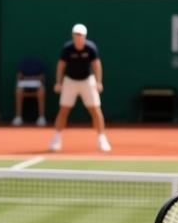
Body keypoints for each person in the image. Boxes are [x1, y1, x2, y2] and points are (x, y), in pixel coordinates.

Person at [49, 23, 110, 153]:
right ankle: (57, 138)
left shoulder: (91, 48)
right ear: (72, 36)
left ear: (84, 36)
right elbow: (61, 66)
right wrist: (58, 82)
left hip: (87, 80)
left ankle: (102, 138)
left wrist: (98, 82)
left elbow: (97, 65)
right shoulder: (67, 48)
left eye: (80, 35)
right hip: (70, 80)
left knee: (95, 109)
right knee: (64, 109)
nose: (78, 37)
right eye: (76, 35)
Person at [12, 56, 47, 127]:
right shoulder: (23, 65)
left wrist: (32, 78)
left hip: (36, 82)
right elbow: (19, 76)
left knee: (41, 90)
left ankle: (41, 118)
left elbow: (42, 77)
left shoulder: (39, 66)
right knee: (18, 90)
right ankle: (18, 117)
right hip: (24, 82)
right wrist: (29, 78)